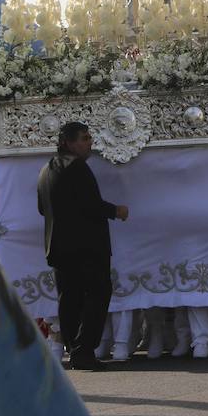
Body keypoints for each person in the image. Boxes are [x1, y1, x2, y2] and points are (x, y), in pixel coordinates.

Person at [37, 122, 129, 370]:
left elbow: (41, 208)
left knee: (69, 299)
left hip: (58, 246)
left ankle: (74, 348)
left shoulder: (46, 170)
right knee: (97, 294)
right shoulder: (77, 168)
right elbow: (91, 204)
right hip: (86, 247)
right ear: (68, 142)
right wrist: (116, 211)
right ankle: (84, 349)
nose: (89, 143)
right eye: (84, 138)